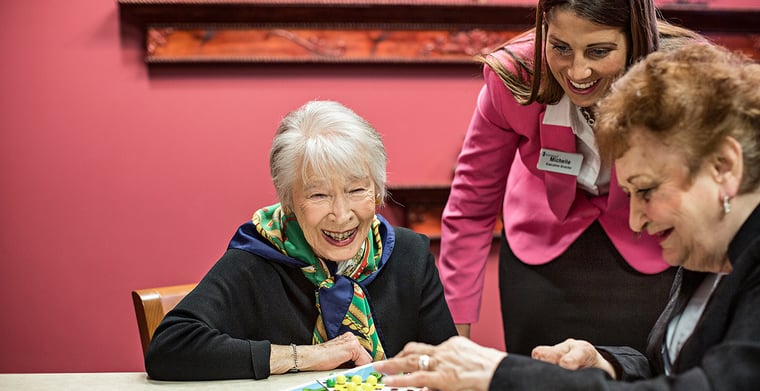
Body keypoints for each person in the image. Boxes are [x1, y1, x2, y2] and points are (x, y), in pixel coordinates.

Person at [375, 42, 760, 390]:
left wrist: (505, 374)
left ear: (725, 166)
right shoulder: (708, 251)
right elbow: (672, 370)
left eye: (646, 191)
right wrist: (608, 363)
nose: (636, 222)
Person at [439, 0, 704, 354]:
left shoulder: (684, 76)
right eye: (560, 47)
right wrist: (452, 334)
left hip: (650, 245)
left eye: (598, 51)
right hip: (543, 246)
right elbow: (471, 207)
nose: (578, 72)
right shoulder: (515, 76)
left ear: (635, 39)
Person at [144, 100, 457, 380]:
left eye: (356, 190)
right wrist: (307, 357)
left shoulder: (408, 254)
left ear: (377, 191)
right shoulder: (256, 258)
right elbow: (170, 348)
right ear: (289, 201)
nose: (341, 214)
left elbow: (449, 367)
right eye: (318, 194)